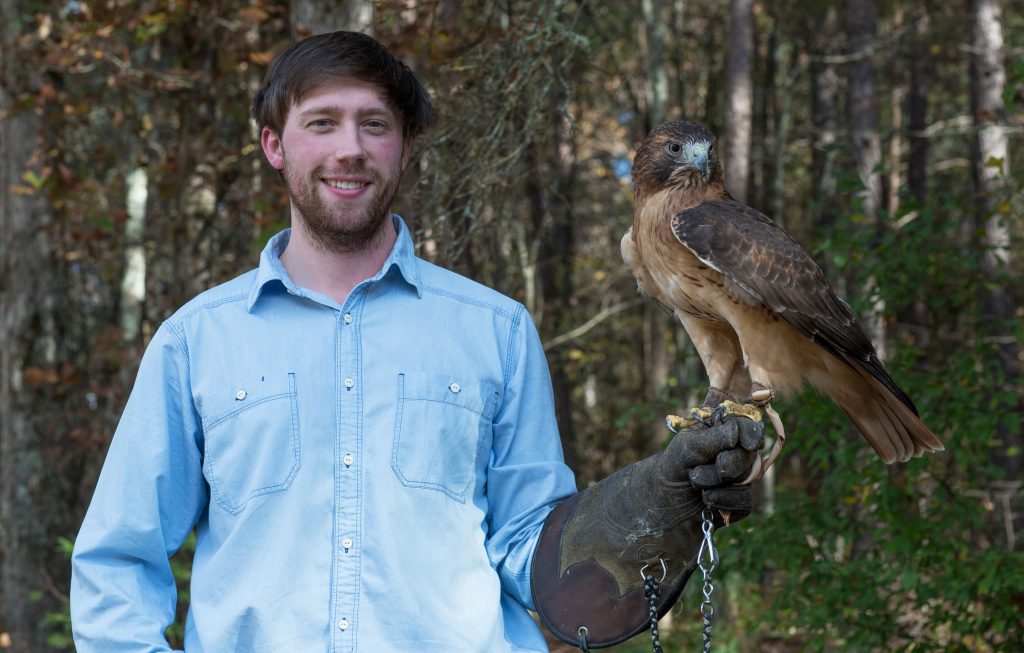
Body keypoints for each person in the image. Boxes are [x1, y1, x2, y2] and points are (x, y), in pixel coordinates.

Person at [70, 31, 763, 652]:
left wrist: (654, 514)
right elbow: (117, 566)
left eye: (374, 124)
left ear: (403, 146)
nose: (350, 148)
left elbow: (531, 553)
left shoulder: (494, 329)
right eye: (322, 123)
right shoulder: (196, 342)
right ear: (274, 145)